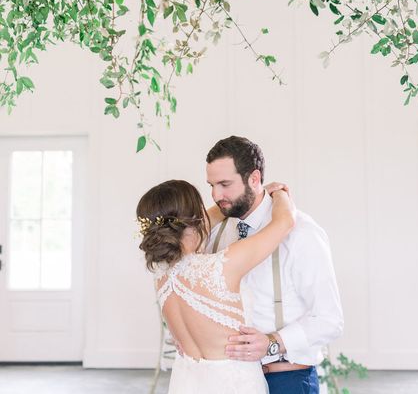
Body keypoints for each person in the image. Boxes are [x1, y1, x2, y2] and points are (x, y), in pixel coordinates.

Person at [206, 136, 344, 394]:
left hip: (286, 380)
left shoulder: (302, 233)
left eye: (225, 184)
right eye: (212, 185)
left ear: (254, 179)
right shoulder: (218, 231)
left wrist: (273, 343)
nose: (216, 195)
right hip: (230, 380)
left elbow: (330, 319)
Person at [136, 178, 295, 393]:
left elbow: (198, 223)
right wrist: (279, 194)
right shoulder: (222, 266)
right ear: (195, 219)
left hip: (186, 381)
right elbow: (284, 223)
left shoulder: (161, 274)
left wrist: (257, 194)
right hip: (232, 384)